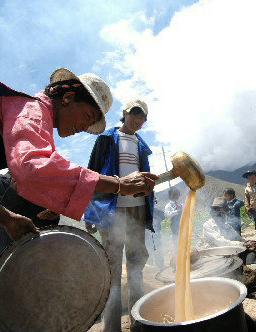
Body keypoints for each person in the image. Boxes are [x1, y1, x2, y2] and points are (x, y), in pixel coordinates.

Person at [0, 68, 157, 331]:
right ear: (67, 97)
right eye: (87, 116)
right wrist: (118, 184)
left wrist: (5, 217)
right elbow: (33, 168)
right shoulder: (30, 108)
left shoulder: (24, 124)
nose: (84, 127)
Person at [84, 99, 153, 332]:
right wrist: (91, 213)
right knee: (113, 270)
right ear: (124, 113)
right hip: (111, 211)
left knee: (136, 266)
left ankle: (138, 322)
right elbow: (92, 175)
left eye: (142, 117)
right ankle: (111, 328)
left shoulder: (142, 146)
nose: (137, 120)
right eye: (134, 114)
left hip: (137, 210)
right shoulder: (106, 139)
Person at [0, 173, 61, 261]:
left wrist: (52, 216)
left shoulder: (42, 187)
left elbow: (43, 223)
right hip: (8, 254)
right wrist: (12, 192)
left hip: (38, 254)